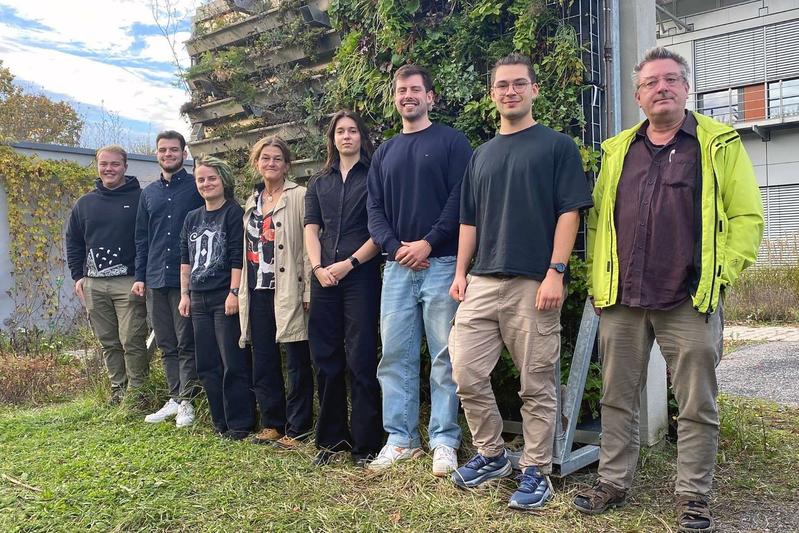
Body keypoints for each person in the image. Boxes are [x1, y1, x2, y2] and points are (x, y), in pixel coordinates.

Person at [573, 47, 764, 533]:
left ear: (686, 88)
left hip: (689, 298)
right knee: (617, 397)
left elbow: (746, 217)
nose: (662, 87)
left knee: (697, 402)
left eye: (672, 80)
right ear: (638, 96)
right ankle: (614, 483)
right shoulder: (618, 150)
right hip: (622, 298)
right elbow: (599, 223)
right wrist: (599, 283)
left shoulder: (718, 143)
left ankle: (693, 498)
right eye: (652, 82)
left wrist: (722, 276)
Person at [447, 53, 593, 510]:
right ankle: (492, 455)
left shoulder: (557, 146)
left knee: (536, 384)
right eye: (501, 86)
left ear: (534, 90)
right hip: (482, 281)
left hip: (535, 282)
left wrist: (556, 271)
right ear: (493, 95)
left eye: (518, 84)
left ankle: (536, 470)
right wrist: (459, 273)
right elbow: (468, 221)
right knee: (465, 371)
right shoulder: (481, 154)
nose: (509, 91)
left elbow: (569, 212)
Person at [366, 64, 473, 476]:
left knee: (446, 355)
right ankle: (401, 439)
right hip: (395, 269)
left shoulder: (452, 142)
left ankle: (444, 439)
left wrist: (428, 241)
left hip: (442, 262)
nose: (407, 95)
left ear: (430, 97)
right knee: (395, 355)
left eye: (415, 89)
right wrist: (395, 248)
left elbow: (460, 198)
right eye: (401, 90)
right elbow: (374, 209)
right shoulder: (385, 152)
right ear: (395, 99)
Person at [304, 110, 383, 467]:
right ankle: (331, 438)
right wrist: (318, 268)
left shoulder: (375, 177)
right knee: (326, 360)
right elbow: (310, 227)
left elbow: (380, 232)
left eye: (352, 130)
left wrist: (349, 264)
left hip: (360, 276)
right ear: (332, 138)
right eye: (340, 131)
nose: (346, 136)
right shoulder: (319, 181)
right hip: (324, 280)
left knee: (361, 358)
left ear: (361, 137)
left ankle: (366, 444)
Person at [238, 136, 314, 450]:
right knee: (264, 359)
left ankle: (298, 428)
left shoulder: (300, 196)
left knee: (296, 358)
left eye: (277, 159)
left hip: (288, 289)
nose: (271, 164)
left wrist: (309, 288)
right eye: (265, 158)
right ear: (257, 163)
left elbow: (311, 247)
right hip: (257, 288)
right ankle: (272, 422)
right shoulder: (251, 201)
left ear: (287, 164)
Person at [177, 155, 255, 440]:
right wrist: (185, 294)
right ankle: (219, 422)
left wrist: (234, 292)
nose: (206, 183)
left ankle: (240, 424)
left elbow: (238, 256)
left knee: (232, 361)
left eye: (212, 178)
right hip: (198, 298)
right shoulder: (192, 217)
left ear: (223, 180)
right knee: (207, 363)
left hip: (225, 297)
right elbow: (185, 258)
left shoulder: (233, 213)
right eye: (201, 179)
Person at [66, 145, 148, 405]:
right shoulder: (85, 203)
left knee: (131, 339)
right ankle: (118, 392)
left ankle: (138, 394)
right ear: (97, 166)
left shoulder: (141, 199)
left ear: (125, 166)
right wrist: (77, 276)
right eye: (104, 164)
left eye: (114, 164)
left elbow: (148, 239)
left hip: (129, 281)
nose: (108, 169)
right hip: (94, 284)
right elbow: (74, 241)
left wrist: (142, 276)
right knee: (108, 342)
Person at [134, 130, 203, 428]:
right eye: (163, 150)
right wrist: (140, 276)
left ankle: (188, 399)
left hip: (186, 278)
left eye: (173, 150)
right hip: (155, 278)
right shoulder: (148, 194)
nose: (168, 154)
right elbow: (141, 238)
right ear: (157, 154)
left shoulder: (196, 187)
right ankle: (174, 397)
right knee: (165, 342)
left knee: (186, 341)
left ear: (184, 154)